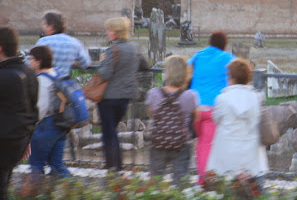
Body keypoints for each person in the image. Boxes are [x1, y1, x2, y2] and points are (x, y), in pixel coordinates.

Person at [96, 17, 149, 170]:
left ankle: (113, 166)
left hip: (109, 97)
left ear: (116, 32)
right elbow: (144, 65)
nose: (107, 33)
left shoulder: (112, 50)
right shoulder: (134, 47)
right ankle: (116, 165)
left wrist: (101, 62)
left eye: (109, 30)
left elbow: (105, 74)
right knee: (112, 130)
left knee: (109, 133)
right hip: (126, 96)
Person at [206, 58, 268, 184]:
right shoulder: (257, 97)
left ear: (232, 78)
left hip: (226, 154)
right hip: (252, 155)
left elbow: (216, 119)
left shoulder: (222, 99)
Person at [187, 31, 234, 179]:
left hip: (195, 107)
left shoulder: (198, 55)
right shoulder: (227, 58)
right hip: (214, 109)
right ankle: (204, 179)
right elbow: (241, 70)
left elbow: (186, 68)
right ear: (224, 45)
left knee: (201, 143)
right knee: (208, 144)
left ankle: (204, 174)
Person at [145, 55, 198, 185]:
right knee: (180, 181)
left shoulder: (154, 93)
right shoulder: (190, 96)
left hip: (158, 141)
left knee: (155, 181)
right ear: (185, 74)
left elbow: (151, 113)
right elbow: (195, 117)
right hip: (182, 142)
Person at [0, 27, 38, 200]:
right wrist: (27, 139)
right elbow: (32, 110)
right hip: (18, 141)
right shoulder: (29, 73)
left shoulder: (5, 76)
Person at [27, 45, 72, 178]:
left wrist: (30, 126)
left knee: (36, 165)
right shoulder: (55, 74)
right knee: (57, 164)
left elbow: (41, 109)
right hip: (61, 125)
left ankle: (34, 194)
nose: (29, 61)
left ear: (38, 61)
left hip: (46, 127)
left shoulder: (42, 80)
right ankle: (76, 191)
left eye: (31, 58)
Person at [36, 11, 91, 78]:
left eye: (44, 24)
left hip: (46, 82)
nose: (42, 27)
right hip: (64, 84)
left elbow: (32, 63)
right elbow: (85, 63)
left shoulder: (43, 42)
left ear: (51, 27)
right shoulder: (74, 42)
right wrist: (72, 62)